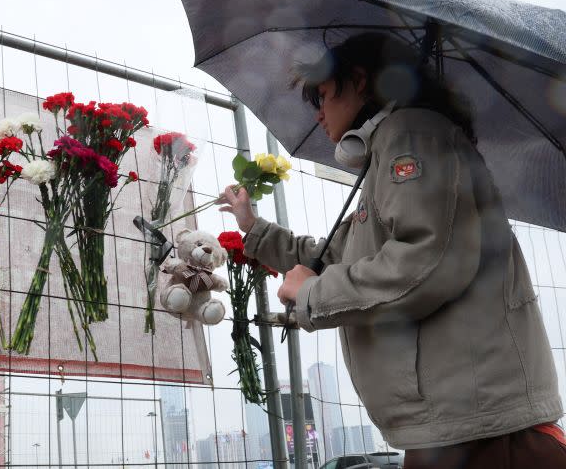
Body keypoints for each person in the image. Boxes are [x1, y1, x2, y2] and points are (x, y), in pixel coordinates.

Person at [216, 32, 566, 468]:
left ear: (359, 80)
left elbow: (427, 260)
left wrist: (313, 295)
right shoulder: (389, 153)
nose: (319, 112)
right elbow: (329, 256)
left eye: (322, 95)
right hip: (461, 423)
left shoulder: (413, 134)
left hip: (481, 431)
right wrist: (251, 226)